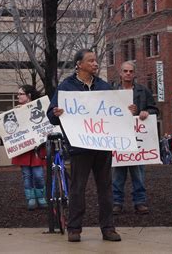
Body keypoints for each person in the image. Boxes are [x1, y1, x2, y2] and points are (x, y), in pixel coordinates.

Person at [47, 49, 123, 242]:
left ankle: (108, 228)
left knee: (105, 188)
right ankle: (74, 228)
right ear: (79, 64)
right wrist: (55, 112)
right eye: (91, 61)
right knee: (77, 188)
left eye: (96, 61)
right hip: (79, 147)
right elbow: (51, 117)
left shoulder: (104, 87)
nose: (95, 64)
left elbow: (117, 113)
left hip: (103, 146)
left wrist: (127, 110)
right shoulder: (66, 87)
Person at [112, 61, 159, 215]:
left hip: (138, 140)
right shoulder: (113, 92)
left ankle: (140, 201)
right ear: (120, 73)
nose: (128, 74)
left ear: (135, 74)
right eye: (125, 71)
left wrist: (145, 112)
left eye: (131, 71)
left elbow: (153, 109)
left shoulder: (143, 91)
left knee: (138, 173)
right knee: (118, 174)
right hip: (119, 139)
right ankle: (116, 202)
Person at [11, 85, 48, 210]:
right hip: (24, 150)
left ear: (29, 95)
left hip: (37, 148)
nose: (18, 96)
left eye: (21, 94)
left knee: (38, 175)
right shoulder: (15, 111)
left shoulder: (39, 108)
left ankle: (41, 197)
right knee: (26, 175)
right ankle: (31, 198)